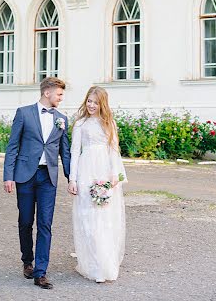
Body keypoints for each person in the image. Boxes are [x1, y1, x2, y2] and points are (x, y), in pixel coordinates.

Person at [3, 76, 70, 290]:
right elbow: (12, 146)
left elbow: (65, 152)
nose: (61, 98)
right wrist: (8, 175)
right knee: (25, 221)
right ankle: (27, 261)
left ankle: (41, 272)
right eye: (59, 94)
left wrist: (72, 178)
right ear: (47, 92)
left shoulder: (62, 118)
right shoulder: (23, 113)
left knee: (45, 224)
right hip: (24, 176)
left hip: (48, 178)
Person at [68, 86, 126, 283]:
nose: (91, 105)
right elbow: (75, 151)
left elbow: (114, 150)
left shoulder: (110, 123)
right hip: (86, 171)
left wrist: (116, 174)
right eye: (89, 101)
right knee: (88, 218)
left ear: (102, 104)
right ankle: (93, 265)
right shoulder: (81, 124)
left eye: (95, 102)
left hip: (105, 172)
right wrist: (72, 179)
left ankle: (105, 264)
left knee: (105, 218)